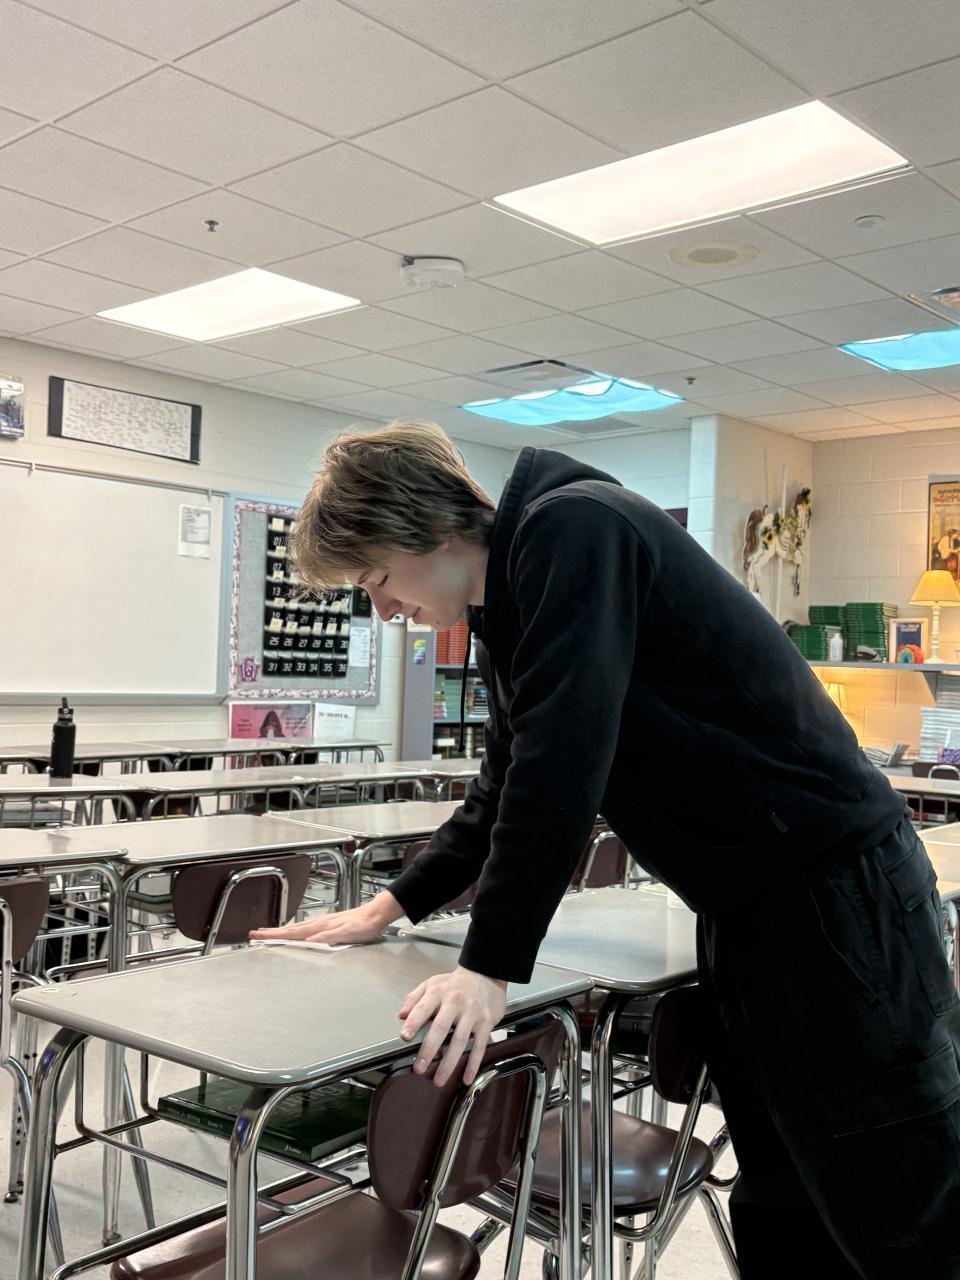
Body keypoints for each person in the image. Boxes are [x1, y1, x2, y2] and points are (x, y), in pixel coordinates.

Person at [253, 420, 960, 1278]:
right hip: (747, 904)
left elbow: (564, 762)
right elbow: (505, 783)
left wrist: (490, 966)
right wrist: (392, 904)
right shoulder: (510, 604)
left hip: (833, 895)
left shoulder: (576, 529)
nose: (385, 611)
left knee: (895, 1193)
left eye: (376, 580)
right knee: (782, 1190)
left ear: (427, 532)